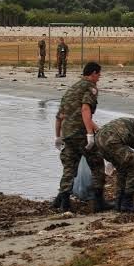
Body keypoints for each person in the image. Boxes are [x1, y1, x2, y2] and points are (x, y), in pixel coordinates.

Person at [53, 61, 111, 213]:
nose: (99, 77)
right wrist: (90, 134)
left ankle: (64, 202)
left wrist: (57, 137)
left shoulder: (71, 90)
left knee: (69, 168)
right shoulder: (90, 88)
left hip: (67, 134)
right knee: (97, 164)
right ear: (93, 73)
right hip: (81, 134)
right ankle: (99, 202)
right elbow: (86, 110)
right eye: (98, 74)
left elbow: (60, 116)